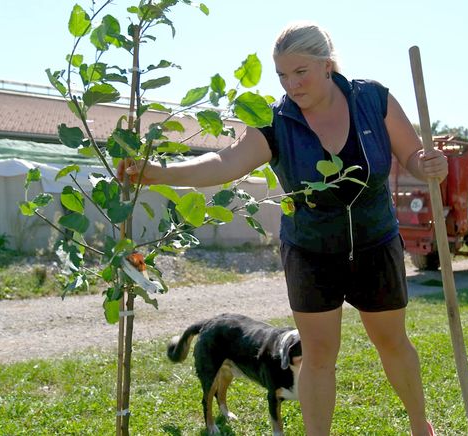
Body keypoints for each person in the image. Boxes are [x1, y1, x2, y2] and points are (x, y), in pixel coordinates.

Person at [123, 21, 446, 436]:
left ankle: (422, 427)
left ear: (327, 66)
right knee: (318, 354)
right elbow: (226, 163)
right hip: (311, 251)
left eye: (300, 72)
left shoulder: (373, 99)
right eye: (282, 75)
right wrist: (157, 173)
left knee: (392, 343)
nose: (290, 85)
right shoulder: (275, 120)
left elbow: (413, 154)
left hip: (374, 242)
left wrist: (427, 164)